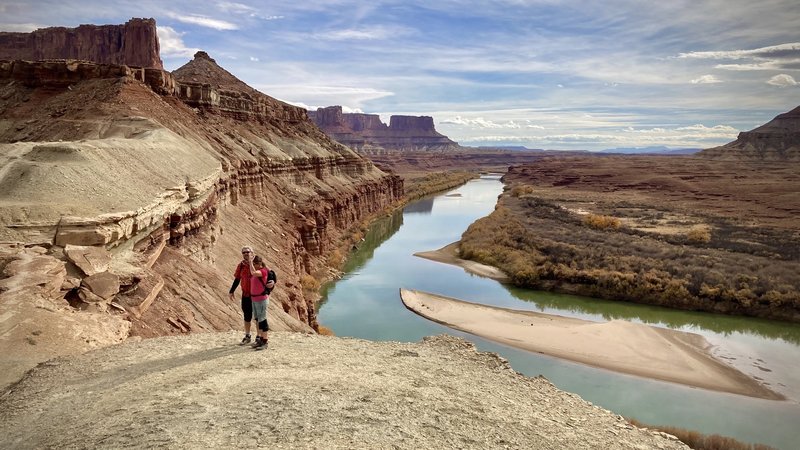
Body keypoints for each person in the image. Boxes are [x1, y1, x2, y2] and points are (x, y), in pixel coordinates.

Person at [229, 246, 256, 344]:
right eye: (244, 252)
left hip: (256, 295)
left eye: (247, 252)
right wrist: (231, 291)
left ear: (252, 253)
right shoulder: (241, 265)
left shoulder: (257, 263)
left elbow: (267, 273)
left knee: (257, 316)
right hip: (246, 295)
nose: (246, 254)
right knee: (247, 316)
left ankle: (259, 337)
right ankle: (247, 335)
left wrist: (271, 283)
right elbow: (237, 279)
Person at [247, 254, 276, 350]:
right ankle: (260, 339)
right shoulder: (258, 270)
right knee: (258, 319)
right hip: (254, 299)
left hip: (262, 299)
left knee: (263, 320)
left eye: (255, 264)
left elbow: (253, 273)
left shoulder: (263, 271)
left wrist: (250, 262)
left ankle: (265, 341)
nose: (253, 265)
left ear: (258, 264)